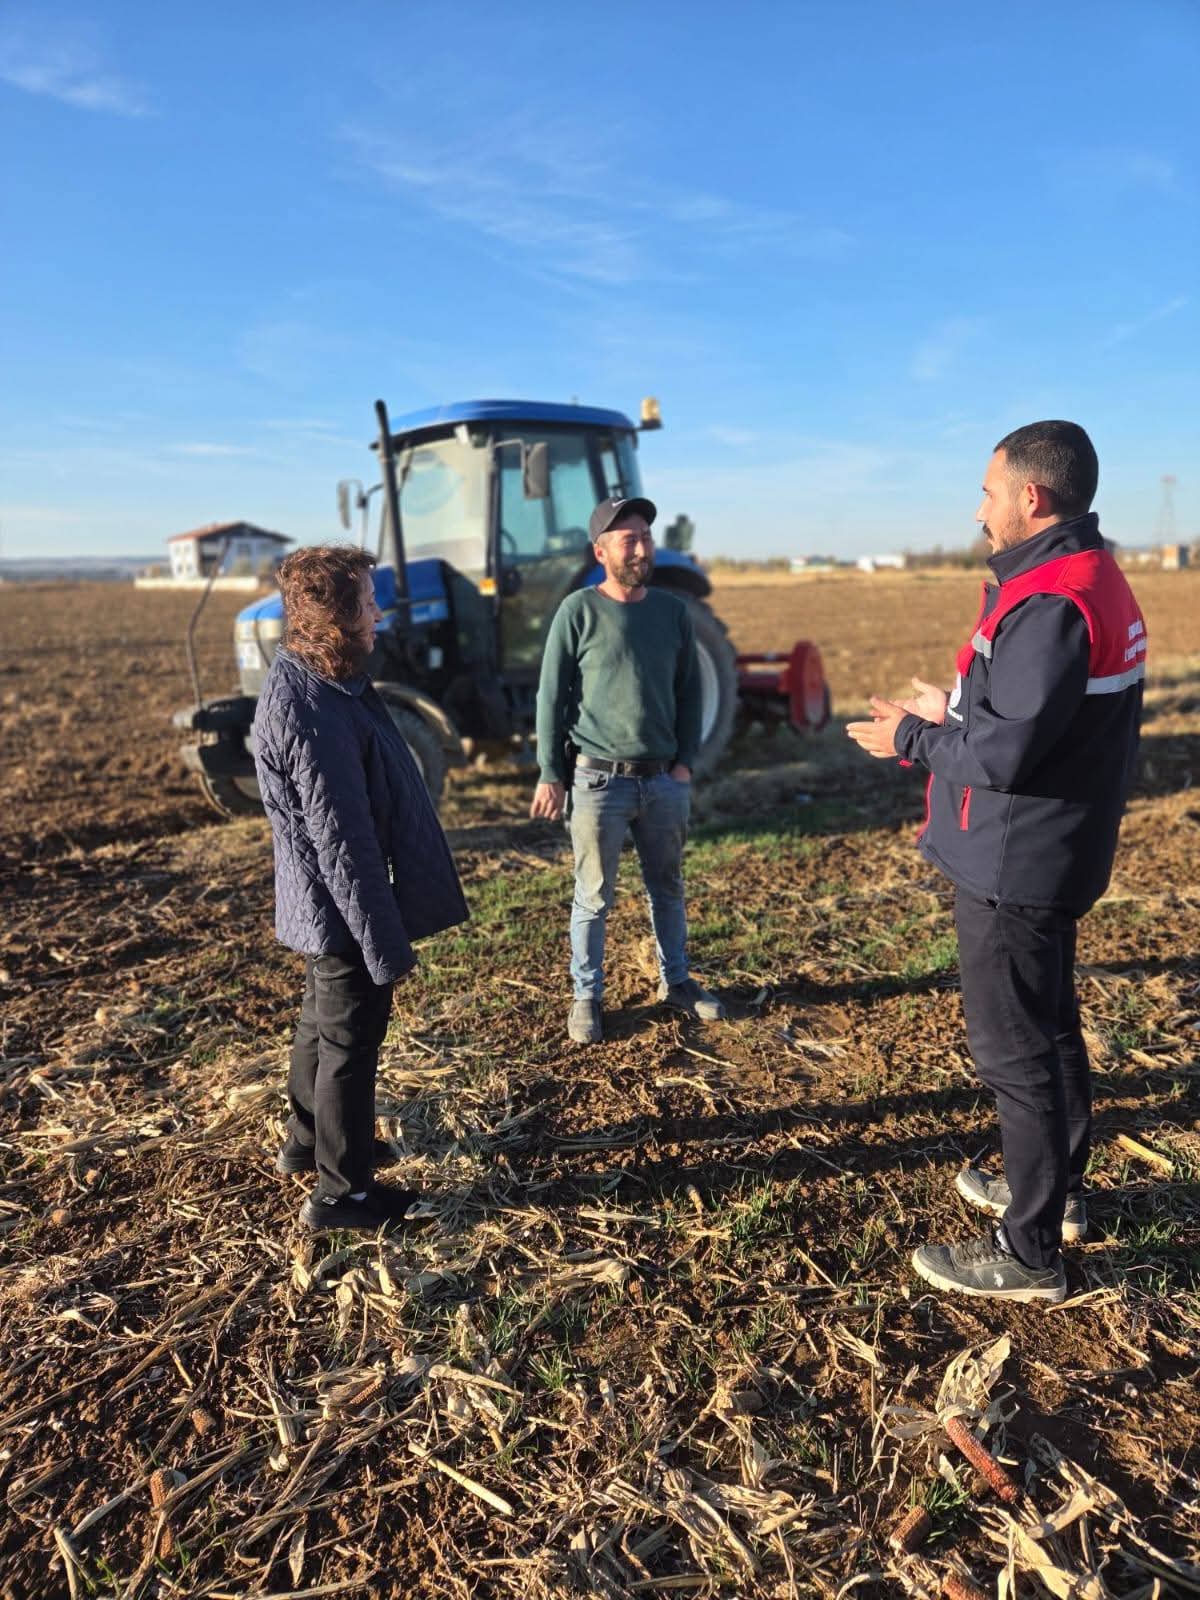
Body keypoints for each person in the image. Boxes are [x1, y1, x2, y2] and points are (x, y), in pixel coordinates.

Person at [847, 422, 1145, 1304]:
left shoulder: (1053, 600)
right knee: (1048, 1031)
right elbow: (1032, 720)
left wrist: (911, 737)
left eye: (987, 491)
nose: (977, 510)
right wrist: (954, 706)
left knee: (1015, 1052)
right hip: (1050, 850)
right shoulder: (1087, 577)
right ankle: (1056, 1197)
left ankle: (1028, 1251)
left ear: (1031, 498)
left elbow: (1008, 758)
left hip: (1017, 861)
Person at [253, 545, 468, 1233]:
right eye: (368, 602)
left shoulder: (317, 682)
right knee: (350, 1038)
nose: (380, 613)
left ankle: (308, 1144)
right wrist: (386, 945)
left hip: (322, 908)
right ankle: (342, 1194)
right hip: (341, 909)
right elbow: (345, 848)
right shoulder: (312, 710)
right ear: (336, 616)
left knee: (322, 1022)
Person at [530, 496, 725, 1044]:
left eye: (645, 537)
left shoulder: (671, 612)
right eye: (628, 539)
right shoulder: (578, 611)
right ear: (602, 551)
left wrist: (686, 763)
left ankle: (678, 982)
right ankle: (587, 996)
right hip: (597, 780)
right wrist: (552, 771)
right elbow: (552, 697)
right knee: (593, 894)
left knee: (668, 885)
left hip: (663, 780)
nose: (641, 548)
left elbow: (690, 692)